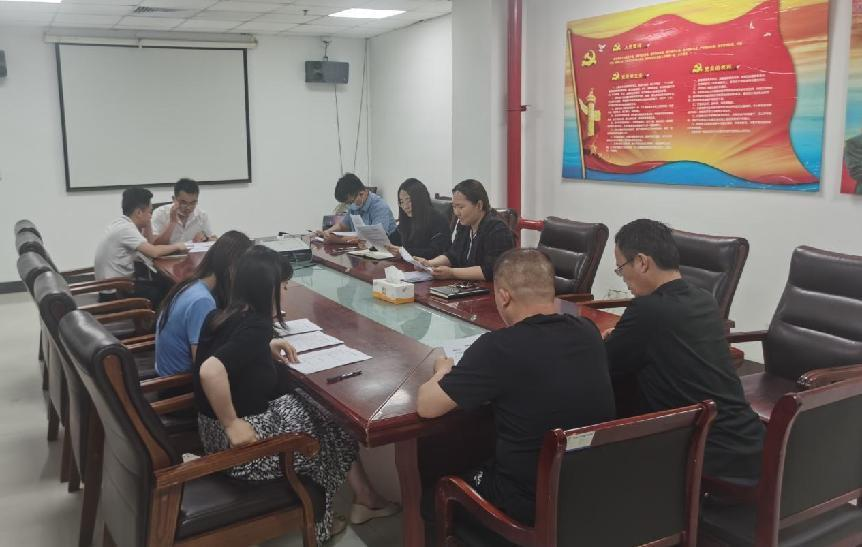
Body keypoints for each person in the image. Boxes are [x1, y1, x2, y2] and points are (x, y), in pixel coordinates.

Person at [194, 246, 398, 543]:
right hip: (242, 450)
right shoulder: (257, 326)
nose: (286, 291)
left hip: (211, 437)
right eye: (283, 285)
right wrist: (232, 424)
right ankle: (322, 524)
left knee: (320, 412)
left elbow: (226, 351)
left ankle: (365, 498)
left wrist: (263, 348)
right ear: (267, 289)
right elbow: (210, 370)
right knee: (326, 433)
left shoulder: (220, 315)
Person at [417, 248, 615, 525]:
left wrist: (443, 370)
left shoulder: (498, 347)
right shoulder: (588, 331)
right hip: (590, 489)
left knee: (432, 493)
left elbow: (426, 406)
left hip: (528, 504)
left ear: (503, 296)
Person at [604, 219, 764, 481]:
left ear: (642, 262)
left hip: (706, 454)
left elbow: (606, 365)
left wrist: (612, 341)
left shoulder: (648, 310)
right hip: (746, 442)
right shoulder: (704, 299)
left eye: (621, 269)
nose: (624, 280)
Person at [154, 230, 253, 377]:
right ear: (232, 267)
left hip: (168, 372)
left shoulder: (192, 284)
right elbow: (203, 364)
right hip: (178, 382)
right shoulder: (202, 301)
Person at [93, 187, 188, 305]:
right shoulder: (126, 229)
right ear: (139, 212)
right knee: (166, 290)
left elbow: (150, 244)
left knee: (163, 284)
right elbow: (154, 252)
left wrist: (147, 222)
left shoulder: (121, 223)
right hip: (115, 292)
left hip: (116, 286)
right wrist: (178, 246)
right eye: (150, 212)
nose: (150, 216)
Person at [416, 179, 514, 281]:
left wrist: (452, 273)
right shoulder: (465, 225)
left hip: (489, 288)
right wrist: (429, 263)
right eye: (454, 207)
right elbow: (453, 255)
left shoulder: (497, 229)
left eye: (461, 207)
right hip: (466, 285)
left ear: (479, 205)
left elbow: (491, 271)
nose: (456, 212)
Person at [317, 173, 397, 245]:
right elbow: (343, 225)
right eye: (347, 203)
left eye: (350, 202)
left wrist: (337, 240)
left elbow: (374, 238)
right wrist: (327, 232)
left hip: (385, 252)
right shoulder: (355, 205)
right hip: (362, 250)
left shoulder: (379, 207)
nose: (349, 206)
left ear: (361, 194)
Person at [385, 178, 451, 259]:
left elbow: (435, 252)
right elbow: (394, 240)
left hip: (431, 265)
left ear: (420, 200)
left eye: (409, 200)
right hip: (408, 264)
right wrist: (377, 241)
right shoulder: (407, 218)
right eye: (401, 202)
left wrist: (404, 252)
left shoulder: (438, 220)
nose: (405, 207)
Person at [152, 178, 217, 244]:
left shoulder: (202, 215)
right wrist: (172, 223)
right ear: (174, 199)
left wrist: (206, 239)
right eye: (184, 202)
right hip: (169, 251)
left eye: (193, 203)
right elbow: (154, 244)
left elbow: (214, 239)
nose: (188, 207)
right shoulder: (160, 213)